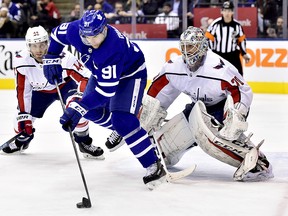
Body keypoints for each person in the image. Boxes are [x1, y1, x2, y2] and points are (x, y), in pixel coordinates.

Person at [42, 10, 166, 189]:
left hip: (131, 74)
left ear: (105, 29)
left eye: (96, 35)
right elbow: (56, 34)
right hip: (101, 72)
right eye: (87, 37)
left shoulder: (112, 50)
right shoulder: (75, 30)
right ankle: (128, 129)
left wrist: (78, 107)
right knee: (91, 112)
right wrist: (51, 57)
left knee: (123, 120)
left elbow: (104, 93)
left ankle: (153, 164)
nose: (92, 41)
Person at [139, 26, 273, 182]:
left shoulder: (218, 69)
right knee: (160, 152)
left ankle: (258, 163)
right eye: (184, 46)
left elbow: (242, 91)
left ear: (202, 46)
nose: (186, 51)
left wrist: (237, 114)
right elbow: (157, 94)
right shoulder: (173, 67)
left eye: (191, 46)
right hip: (196, 110)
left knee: (212, 139)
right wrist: (148, 115)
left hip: (220, 110)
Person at [2, 25, 104, 160]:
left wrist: (79, 98)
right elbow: (22, 90)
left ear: (47, 43)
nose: (38, 50)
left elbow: (86, 77)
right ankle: (22, 141)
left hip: (65, 86)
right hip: (40, 91)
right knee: (19, 119)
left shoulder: (64, 57)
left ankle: (84, 142)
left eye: (42, 45)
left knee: (78, 110)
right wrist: (24, 115)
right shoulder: (22, 60)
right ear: (28, 46)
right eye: (34, 46)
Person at [205, 1, 250, 76]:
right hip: (218, 55)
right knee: (215, 76)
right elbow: (208, 38)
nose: (227, 13)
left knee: (239, 76)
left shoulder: (237, 26)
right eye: (225, 10)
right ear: (221, 11)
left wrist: (244, 53)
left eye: (229, 10)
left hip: (233, 55)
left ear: (233, 12)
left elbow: (241, 40)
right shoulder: (215, 24)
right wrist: (210, 53)